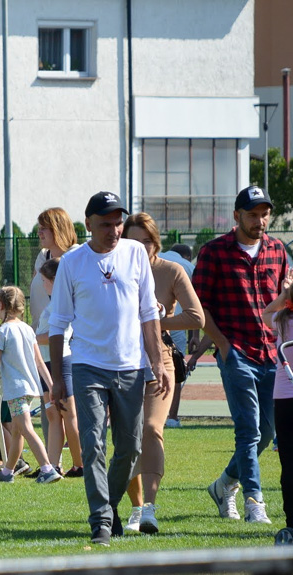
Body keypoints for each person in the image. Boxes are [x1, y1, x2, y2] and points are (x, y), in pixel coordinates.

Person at [47, 191, 169, 546]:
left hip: (131, 366)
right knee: (93, 445)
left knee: (130, 448)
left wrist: (157, 362)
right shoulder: (72, 263)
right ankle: (101, 520)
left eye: (118, 223)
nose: (114, 230)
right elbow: (58, 325)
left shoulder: (135, 254)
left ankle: (109, 505)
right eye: (106, 224)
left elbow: (148, 313)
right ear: (88, 225)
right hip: (87, 366)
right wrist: (58, 378)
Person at [193, 185, 287, 525]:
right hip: (236, 352)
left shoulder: (278, 249)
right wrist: (222, 345)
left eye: (264, 214)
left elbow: (282, 301)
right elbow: (199, 306)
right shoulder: (214, 252)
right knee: (248, 430)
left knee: (266, 432)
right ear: (237, 216)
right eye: (252, 214)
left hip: (272, 352)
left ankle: (223, 485)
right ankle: (254, 501)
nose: (260, 220)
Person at [122, 213, 204, 534]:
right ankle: (135, 507)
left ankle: (150, 510)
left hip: (162, 360)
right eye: (133, 241)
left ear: (156, 242)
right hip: (123, 361)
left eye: (146, 241)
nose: (139, 248)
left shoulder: (171, 270)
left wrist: (156, 321)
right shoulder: (114, 270)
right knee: (128, 437)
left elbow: (196, 316)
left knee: (152, 427)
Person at [0, 286, 61, 485]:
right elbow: (39, 362)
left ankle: (47, 469)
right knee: (17, 430)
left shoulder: (1, 332)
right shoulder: (27, 329)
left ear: (3, 306)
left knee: (26, 428)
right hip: (30, 388)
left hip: (15, 389)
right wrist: (51, 385)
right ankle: (7, 471)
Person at [29, 208, 81, 447]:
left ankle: (80, 461)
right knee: (48, 407)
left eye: (44, 227)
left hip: (69, 344)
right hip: (42, 341)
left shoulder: (77, 255)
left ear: (58, 228)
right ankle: (52, 462)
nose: (39, 232)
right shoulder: (42, 256)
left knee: (69, 408)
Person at [35, 257, 83, 479]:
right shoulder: (53, 303)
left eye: (44, 280)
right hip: (46, 363)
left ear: (54, 280)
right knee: (53, 415)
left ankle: (80, 464)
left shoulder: (63, 303)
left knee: (68, 415)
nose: (42, 285)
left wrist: (33, 338)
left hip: (61, 362)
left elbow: (60, 335)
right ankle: (52, 466)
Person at [261, 279, 293, 544]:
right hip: (286, 396)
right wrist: (285, 294)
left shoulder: (281, 317)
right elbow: (266, 314)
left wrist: (283, 295)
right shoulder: (284, 319)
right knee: (289, 463)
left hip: (284, 398)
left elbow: (267, 312)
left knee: (290, 463)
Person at [158, 243, 196, 428]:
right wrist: (194, 335)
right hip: (178, 324)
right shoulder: (188, 267)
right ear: (187, 256)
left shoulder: (157, 256)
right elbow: (197, 304)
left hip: (153, 321)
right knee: (176, 371)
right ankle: (171, 416)